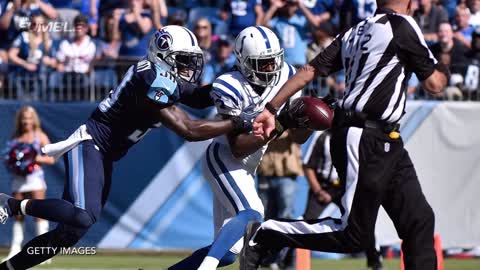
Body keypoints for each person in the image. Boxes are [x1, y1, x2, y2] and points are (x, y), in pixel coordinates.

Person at [0, 25, 252, 270]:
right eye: (183, 60)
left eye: (190, 60)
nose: (188, 67)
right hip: (90, 144)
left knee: (68, 235)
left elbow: (198, 97)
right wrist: (236, 121)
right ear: (162, 56)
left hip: (104, 155)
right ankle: (11, 205)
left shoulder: (161, 74)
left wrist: (238, 77)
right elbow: (190, 129)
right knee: (82, 216)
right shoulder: (151, 79)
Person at [241, 1, 449, 270]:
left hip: (386, 141)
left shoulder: (355, 30)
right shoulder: (402, 25)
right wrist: (444, 63)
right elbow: (434, 84)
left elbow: (309, 71)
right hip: (365, 137)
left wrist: (271, 108)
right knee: (353, 235)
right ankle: (267, 232)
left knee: (418, 219)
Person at [167, 26, 310, 270]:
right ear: (244, 62)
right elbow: (238, 148)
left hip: (249, 166)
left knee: (228, 253)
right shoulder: (229, 85)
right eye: (262, 63)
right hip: (224, 158)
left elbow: (298, 139)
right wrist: (280, 123)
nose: (270, 68)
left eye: (273, 61)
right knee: (253, 212)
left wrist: (307, 121)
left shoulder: (287, 74)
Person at [303, 130, 384, 270]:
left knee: (363, 219)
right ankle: (288, 261)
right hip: (323, 186)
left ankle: (375, 260)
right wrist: (318, 191)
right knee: (307, 221)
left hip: (344, 187)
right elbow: (308, 166)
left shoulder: (355, 133)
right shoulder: (321, 135)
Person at [2, 106, 55, 262]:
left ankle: (43, 251)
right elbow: (9, 157)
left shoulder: (40, 136)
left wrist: (36, 159)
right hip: (18, 180)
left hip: (35, 179)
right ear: (20, 120)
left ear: (34, 119)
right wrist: (13, 163)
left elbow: (51, 159)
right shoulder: (15, 136)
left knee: (39, 214)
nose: (26, 121)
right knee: (17, 214)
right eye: (24, 118)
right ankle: (15, 248)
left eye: (29, 118)